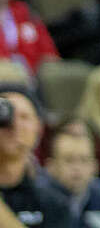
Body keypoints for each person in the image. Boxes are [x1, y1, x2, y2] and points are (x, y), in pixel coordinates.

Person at [0, 85, 71, 227]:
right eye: (5, 116)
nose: (14, 124)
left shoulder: (53, 198)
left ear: (39, 127)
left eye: (24, 117)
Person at [44, 124, 100, 227]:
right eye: (69, 160)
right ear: (51, 166)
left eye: (84, 160)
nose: (77, 167)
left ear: (94, 167)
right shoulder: (38, 200)